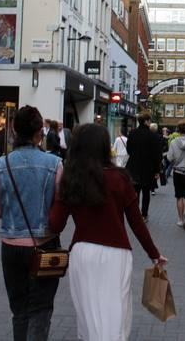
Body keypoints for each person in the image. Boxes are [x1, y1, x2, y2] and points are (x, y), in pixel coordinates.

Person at [49, 124, 167, 341]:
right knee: (115, 312)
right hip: (116, 254)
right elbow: (136, 222)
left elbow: (55, 224)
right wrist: (154, 253)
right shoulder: (119, 178)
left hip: (82, 253)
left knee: (88, 313)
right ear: (104, 147)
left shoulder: (71, 178)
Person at [0, 105, 63, 341]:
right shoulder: (55, 164)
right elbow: (59, 210)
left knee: (19, 309)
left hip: (11, 245)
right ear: (40, 131)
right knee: (40, 309)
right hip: (45, 245)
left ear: (13, 130)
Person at [126, 112, 162, 221]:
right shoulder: (153, 136)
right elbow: (157, 155)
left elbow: (129, 150)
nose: (150, 122)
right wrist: (157, 170)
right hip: (148, 169)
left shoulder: (132, 133)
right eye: (149, 120)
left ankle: (135, 214)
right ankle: (144, 215)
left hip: (134, 167)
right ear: (146, 121)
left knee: (135, 192)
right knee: (146, 193)